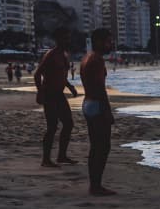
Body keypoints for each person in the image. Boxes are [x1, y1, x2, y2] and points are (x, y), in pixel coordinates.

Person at [34, 27, 78, 167]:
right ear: (58, 39)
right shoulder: (51, 54)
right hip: (50, 95)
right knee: (52, 127)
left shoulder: (63, 54)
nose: (68, 40)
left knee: (68, 124)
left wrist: (70, 87)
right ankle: (45, 160)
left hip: (59, 95)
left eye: (68, 37)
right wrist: (40, 92)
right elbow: (37, 74)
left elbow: (61, 75)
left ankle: (61, 156)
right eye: (65, 37)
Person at [80, 28, 116, 196]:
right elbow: (100, 88)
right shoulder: (97, 60)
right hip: (96, 104)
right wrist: (107, 111)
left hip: (87, 102)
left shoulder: (86, 58)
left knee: (96, 146)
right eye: (108, 41)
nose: (111, 44)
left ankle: (94, 185)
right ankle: (95, 186)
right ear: (99, 42)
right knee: (102, 147)